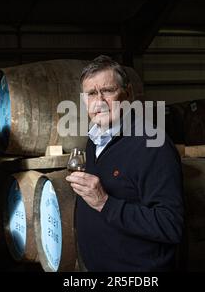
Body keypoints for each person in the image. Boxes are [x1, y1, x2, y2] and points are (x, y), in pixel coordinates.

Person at [65, 55, 184, 271]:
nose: (99, 100)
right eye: (91, 94)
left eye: (108, 91)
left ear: (127, 93)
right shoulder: (93, 142)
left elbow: (170, 225)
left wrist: (104, 203)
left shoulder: (151, 144)